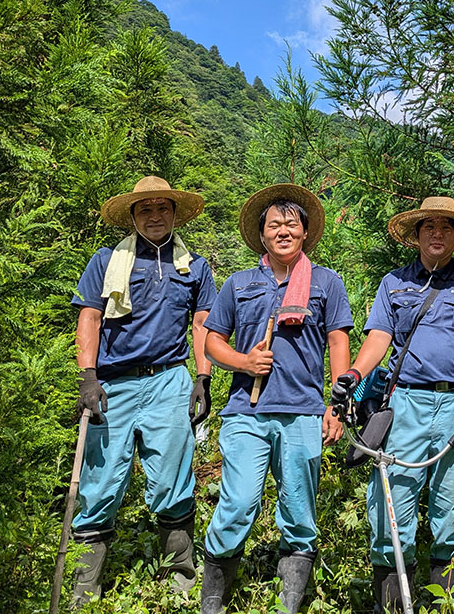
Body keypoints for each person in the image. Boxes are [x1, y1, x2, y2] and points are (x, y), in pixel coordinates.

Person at [331, 197, 454, 613]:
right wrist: (354, 375)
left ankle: (449, 606)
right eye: (429, 226)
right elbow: (379, 338)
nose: (438, 234)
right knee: (389, 510)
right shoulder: (393, 284)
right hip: (405, 404)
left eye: (446, 227)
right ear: (416, 235)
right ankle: (392, 607)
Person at [199, 184, 352, 614]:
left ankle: (290, 604)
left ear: (305, 231)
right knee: (237, 504)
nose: (283, 231)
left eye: (291, 224)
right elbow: (212, 342)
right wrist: (244, 363)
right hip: (246, 413)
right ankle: (212, 602)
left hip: (304, 412)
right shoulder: (239, 283)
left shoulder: (326, 282)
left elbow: (338, 343)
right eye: (274, 225)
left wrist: (338, 404)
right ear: (261, 234)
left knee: (299, 512)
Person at [70, 176, 217, 606]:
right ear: (133, 216)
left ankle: (180, 581)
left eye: (162, 208)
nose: (155, 216)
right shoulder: (106, 260)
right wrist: (87, 377)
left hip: (169, 380)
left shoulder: (195, 267)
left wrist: (203, 379)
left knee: (173, 479)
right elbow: (90, 318)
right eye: (145, 209)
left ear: (175, 214)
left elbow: (201, 324)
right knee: (100, 484)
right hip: (112, 384)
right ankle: (83, 592)